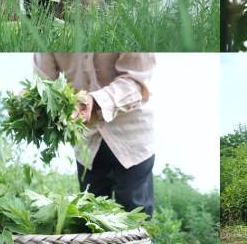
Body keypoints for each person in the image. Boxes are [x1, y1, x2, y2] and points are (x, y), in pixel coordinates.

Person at [34, 53, 156, 217]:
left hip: (130, 137)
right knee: (91, 219)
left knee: (135, 218)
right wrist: (32, 101)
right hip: (86, 141)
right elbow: (44, 84)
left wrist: (96, 100)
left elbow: (136, 80)